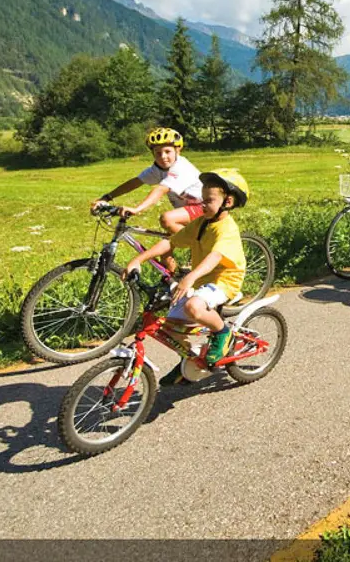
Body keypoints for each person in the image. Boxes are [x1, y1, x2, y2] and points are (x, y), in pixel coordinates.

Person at [123, 168, 249, 386]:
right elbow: (170, 242)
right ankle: (191, 360)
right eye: (202, 198)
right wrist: (138, 260)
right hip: (203, 279)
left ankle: (222, 332)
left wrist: (189, 277)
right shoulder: (202, 223)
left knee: (193, 308)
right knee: (169, 328)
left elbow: (215, 256)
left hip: (224, 280)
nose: (202, 204)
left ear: (227, 202)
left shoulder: (226, 228)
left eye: (208, 201)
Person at [91, 127, 203, 274]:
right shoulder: (157, 168)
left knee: (167, 219)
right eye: (158, 153)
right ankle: (175, 283)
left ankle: (201, 249)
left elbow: (161, 189)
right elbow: (135, 182)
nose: (163, 157)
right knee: (165, 251)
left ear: (178, 151)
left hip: (206, 208)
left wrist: (137, 209)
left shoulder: (181, 167)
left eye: (167, 151)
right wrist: (106, 197)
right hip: (186, 213)